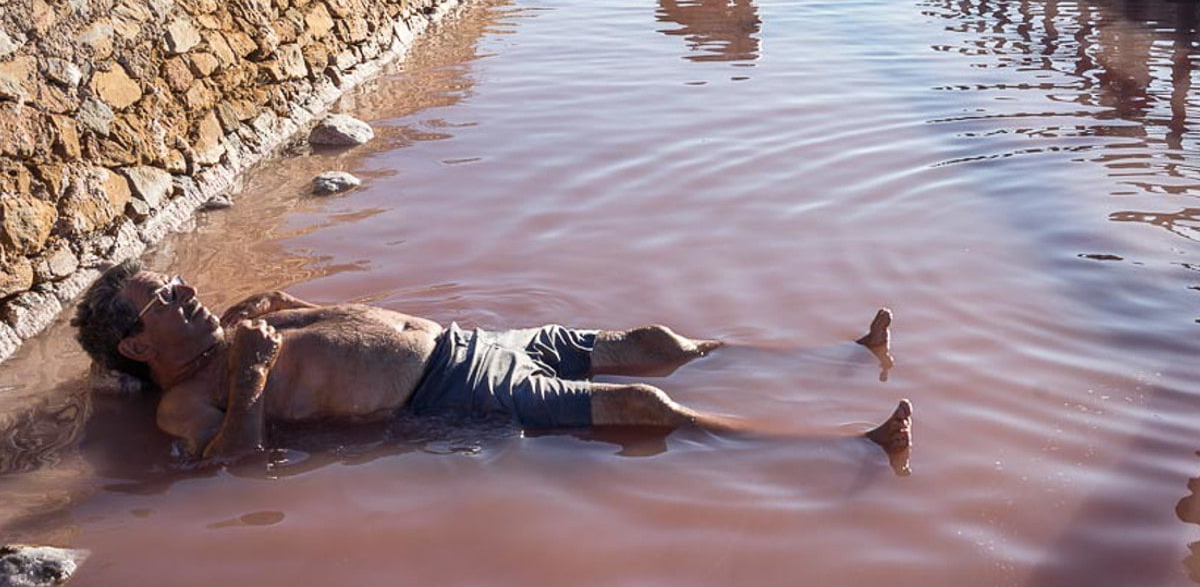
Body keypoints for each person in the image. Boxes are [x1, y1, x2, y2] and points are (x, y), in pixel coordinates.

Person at [71, 260, 912, 462]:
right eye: (165, 301)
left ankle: (842, 349)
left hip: (479, 339)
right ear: (140, 347)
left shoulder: (242, 316)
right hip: (451, 388)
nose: (187, 294)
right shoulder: (185, 403)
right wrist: (252, 379)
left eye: (178, 282)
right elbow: (238, 472)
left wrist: (266, 324)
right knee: (646, 407)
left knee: (660, 344)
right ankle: (848, 443)